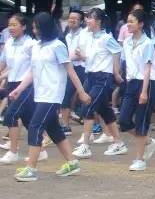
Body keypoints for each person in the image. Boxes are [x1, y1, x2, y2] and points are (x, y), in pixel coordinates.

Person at [8, 12, 91, 181]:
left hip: (53, 95)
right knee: (53, 129)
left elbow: (70, 70)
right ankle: (72, 162)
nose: (33, 29)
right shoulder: (37, 46)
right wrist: (20, 88)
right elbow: (32, 71)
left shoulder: (57, 46)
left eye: (36, 26)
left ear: (43, 27)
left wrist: (81, 92)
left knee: (35, 126)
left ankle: (31, 168)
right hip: (40, 94)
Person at [71, 8, 127, 158]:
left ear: (99, 21)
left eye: (90, 18)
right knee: (104, 111)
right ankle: (118, 142)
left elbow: (117, 51)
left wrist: (115, 71)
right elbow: (92, 58)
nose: (87, 21)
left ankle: (85, 146)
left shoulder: (106, 38)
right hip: (91, 76)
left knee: (88, 107)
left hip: (103, 77)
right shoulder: (91, 37)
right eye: (87, 18)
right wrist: (81, 56)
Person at [117, 9, 155, 171]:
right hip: (131, 82)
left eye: (132, 21)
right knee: (124, 120)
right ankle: (148, 142)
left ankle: (140, 159)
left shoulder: (147, 43)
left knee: (142, 120)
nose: (128, 24)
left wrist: (144, 91)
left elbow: (148, 68)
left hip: (146, 83)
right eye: (127, 21)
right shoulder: (127, 42)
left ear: (141, 24)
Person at [0, 14, 37, 163]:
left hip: (26, 85)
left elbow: (35, 68)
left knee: (11, 115)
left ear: (24, 27)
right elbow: (6, 64)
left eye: (15, 25)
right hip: (12, 84)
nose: (11, 28)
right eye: (10, 25)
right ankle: (40, 151)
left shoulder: (30, 44)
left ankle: (13, 152)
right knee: (28, 119)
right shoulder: (8, 43)